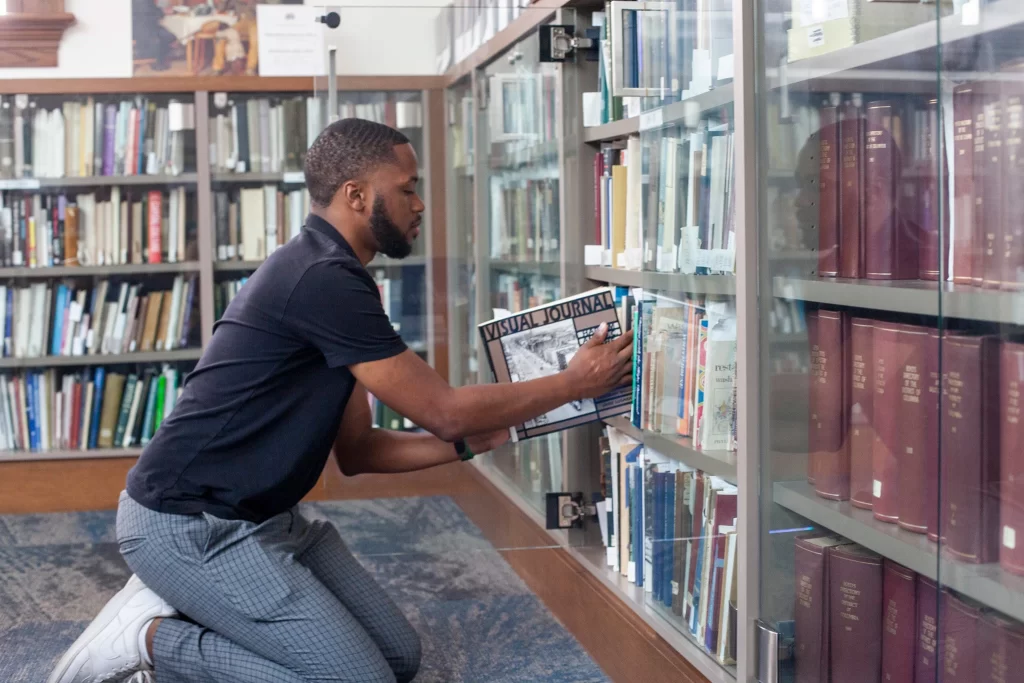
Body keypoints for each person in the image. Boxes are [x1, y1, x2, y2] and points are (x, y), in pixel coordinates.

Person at [46, 118, 633, 683]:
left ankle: (203, 607)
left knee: (398, 659)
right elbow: (445, 409)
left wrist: (464, 445)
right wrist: (570, 383)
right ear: (356, 195)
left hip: (266, 519)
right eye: (407, 189)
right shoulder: (323, 278)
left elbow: (358, 450)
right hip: (189, 524)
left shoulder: (339, 274)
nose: (420, 204)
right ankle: (149, 639)